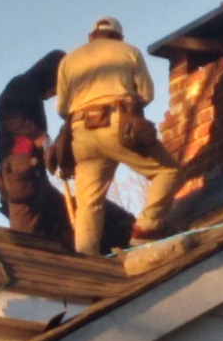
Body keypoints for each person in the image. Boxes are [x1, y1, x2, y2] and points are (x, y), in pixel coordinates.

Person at [56, 16, 182, 256]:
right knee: (169, 171)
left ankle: (87, 260)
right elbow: (146, 94)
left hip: (80, 133)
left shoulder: (69, 60)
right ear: (120, 37)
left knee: (89, 204)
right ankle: (147, 227)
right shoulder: (128, 51)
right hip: (117, 125)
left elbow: (62, 109)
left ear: (90, 37)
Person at [0, 50, 71, 237]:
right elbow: (4, 109)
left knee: (61, 218)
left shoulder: (31, 90)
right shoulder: (23, 84)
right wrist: (37, 135)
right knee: (26, 240)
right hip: (21, 170)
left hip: (32, 172)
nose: (54, 93)